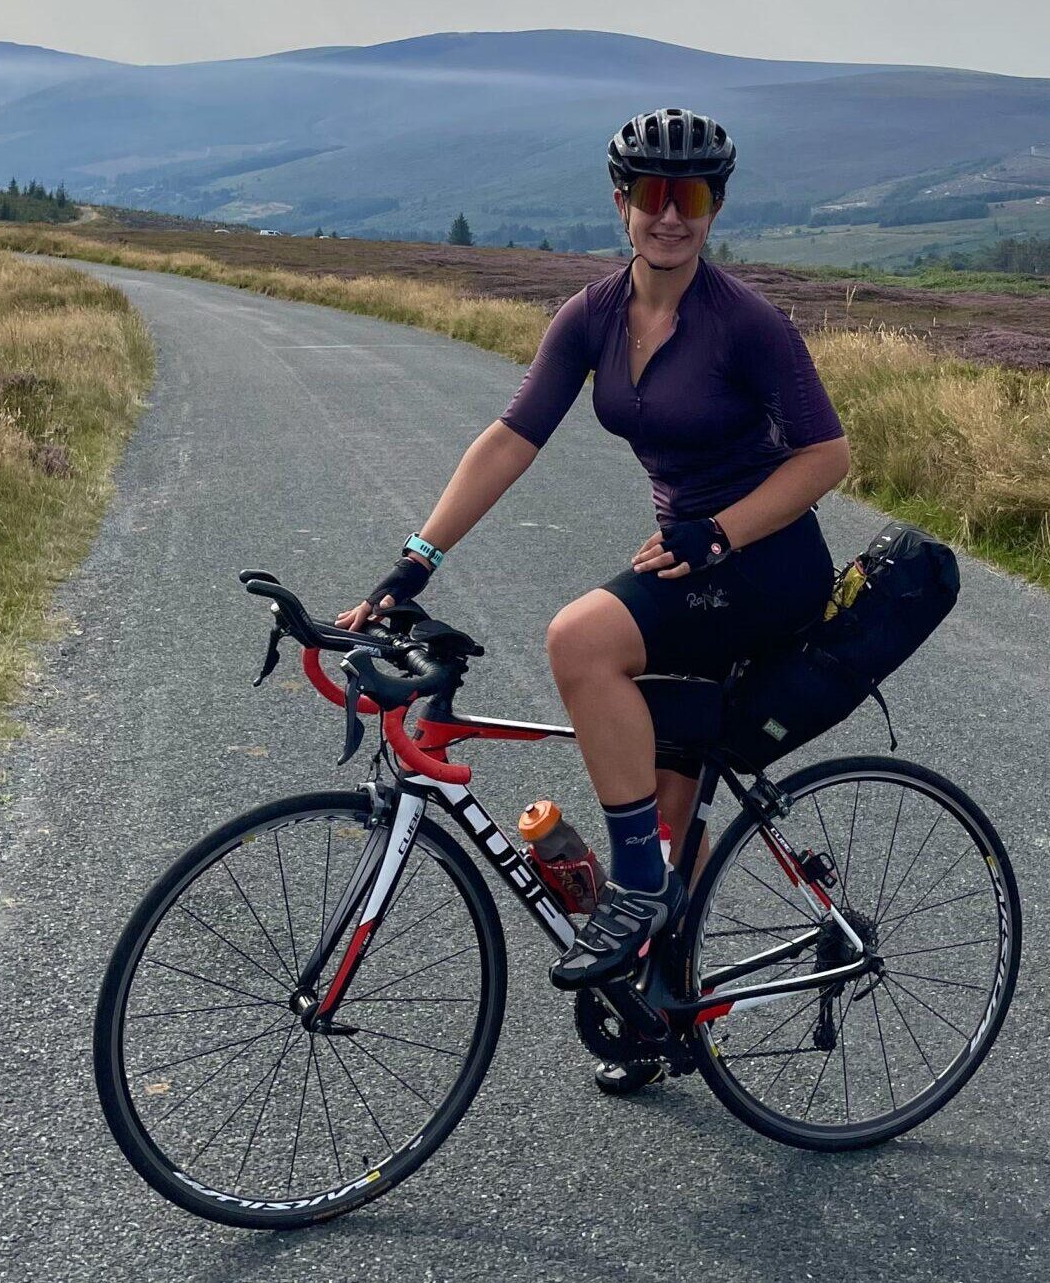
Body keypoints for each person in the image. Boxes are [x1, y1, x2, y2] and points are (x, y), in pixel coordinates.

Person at [338, 107, 851, 1091]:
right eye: (651, 196)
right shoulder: (593, 316)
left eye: (690, 197)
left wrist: (719, 531)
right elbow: (509, 438)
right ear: (620, 203)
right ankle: (664, 1014)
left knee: (580, 642)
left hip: (763, 567)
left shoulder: (748, 325)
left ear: (713, 207)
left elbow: (829, 455)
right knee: (661, 795)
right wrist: (415, 560)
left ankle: (640, 896)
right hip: (687, 566)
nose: (669, 216)